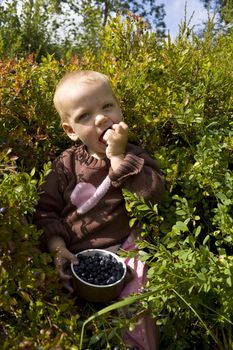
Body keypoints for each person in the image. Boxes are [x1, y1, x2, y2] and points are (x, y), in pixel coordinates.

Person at [34, 70, 165, 349]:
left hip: (123, 248)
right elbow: (46, 212)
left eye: (107, 106)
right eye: (84, 116)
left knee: (136, 298)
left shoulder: (133, 156)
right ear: (70, 131)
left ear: (119, 108)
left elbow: (153, 196)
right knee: (61, 304)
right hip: (74, 254)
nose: (101, 118)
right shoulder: (65, 165)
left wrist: (117, 157)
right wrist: (58, 249)